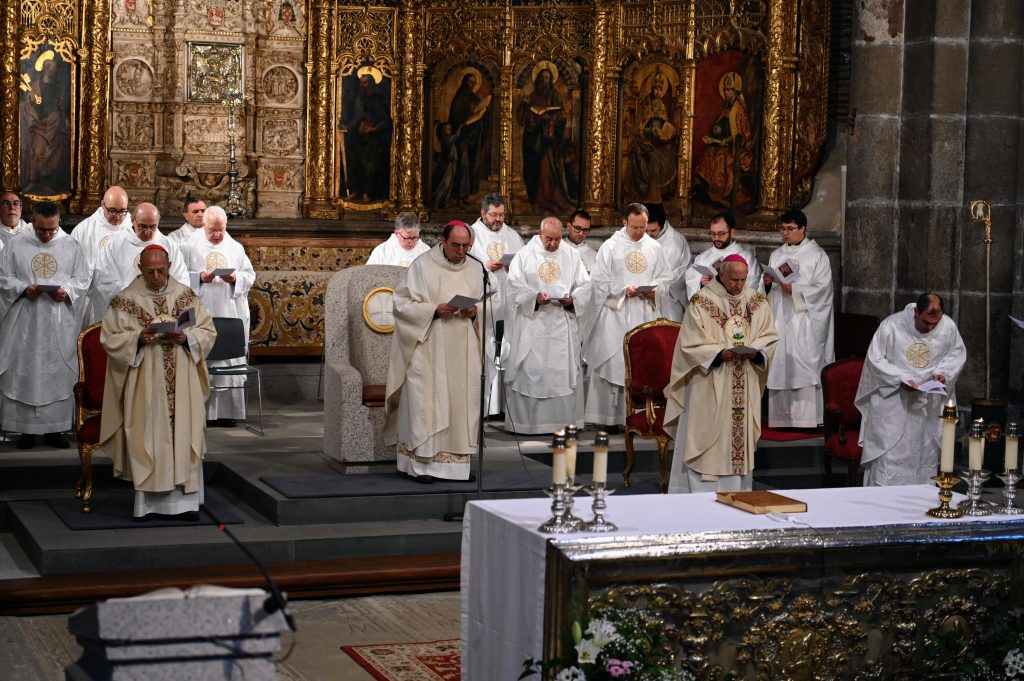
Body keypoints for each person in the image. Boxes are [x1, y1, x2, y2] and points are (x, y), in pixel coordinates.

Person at [98, 245, 218, 521]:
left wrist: (187, 338)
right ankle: (148, 505)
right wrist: (137, 338)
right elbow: (109, 338)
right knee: (149, 435)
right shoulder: (124, 300)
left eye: (161, 271)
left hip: (183, 380)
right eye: (150, 271)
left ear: (169, 266)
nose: (156, 277)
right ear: (139, 268)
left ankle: (186, 505)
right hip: (146, 382)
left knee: (184, 432)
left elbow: (208, 330)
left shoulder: (186, 296)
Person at [664, 255, 778, 492]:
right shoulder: (701, 302)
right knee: (705, 438)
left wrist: (756, 353)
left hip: (744, 380)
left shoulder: (757, 302)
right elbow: (689, 343)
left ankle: (738, 492)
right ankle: (701, 494)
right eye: (734, 279)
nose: (739, 285)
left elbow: (769, 337)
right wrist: (716, 353)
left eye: (743, 280)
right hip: (709, 382)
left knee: (737, 442)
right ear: (721, 275)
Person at [383, 221, 482, 483]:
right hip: (428, 347)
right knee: (426, 405)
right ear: (442, 241)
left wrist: (477, 312)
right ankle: (421, 465)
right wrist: (433, 311)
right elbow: (400, 304)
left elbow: (493, 303)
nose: (461, 251)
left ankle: (457, 467)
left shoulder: (476, 268)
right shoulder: (422, 265)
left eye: (466, 246)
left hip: (463, 349)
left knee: (461, 406)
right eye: (456, 245)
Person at [0, 201, 89, 449]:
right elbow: (3, 277)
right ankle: (26, 431)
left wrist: (66, 291)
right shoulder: (16, 244)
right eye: (41, 230)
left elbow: (83, 279)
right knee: (25, 370)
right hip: (25, 322)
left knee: (56, 371)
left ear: (58, 223)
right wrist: (22, 288)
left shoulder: (71, 245)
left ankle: (55, 430)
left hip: (57, 322)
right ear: (33, 221)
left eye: (52, 230)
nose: (47, 235)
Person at [855, 293, 967, 486]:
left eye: (935, 323)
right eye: (926, 322)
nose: (930, 328)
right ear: (916, 312)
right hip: (894, 404)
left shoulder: (948, 327)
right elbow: (875, 360)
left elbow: (956, 354)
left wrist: (943, 374)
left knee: (924, 458)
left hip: (928, 406)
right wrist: (900, 378)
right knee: (890, 460)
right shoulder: (891, 326)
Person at [584, 203, 672, 430]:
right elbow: (598, 280)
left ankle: (641, 417)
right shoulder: (610, 246)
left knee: (640, 364)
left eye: (643, 227)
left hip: (644, 313)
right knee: (613, 362)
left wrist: (656, 290)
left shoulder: (654, 248)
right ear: (624, 223)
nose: (639, 232)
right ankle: (607, 419)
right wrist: (623, 290)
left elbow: (666, 278)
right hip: (616, 314)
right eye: (635, 227)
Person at [504, 217, 590, 434]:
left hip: (561, 322)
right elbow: (514, 286)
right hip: (533, 324)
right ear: (540, 234)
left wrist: (573, 299)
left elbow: (585, 286)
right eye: (549, 239)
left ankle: (561, 422)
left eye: (557, 239)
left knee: (560, 373)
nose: (553, 244)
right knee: (533, 370)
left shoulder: (572, 255)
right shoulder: (525, 255)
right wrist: (533, 297)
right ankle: (528, 425)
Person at [764, 209, 834, 428]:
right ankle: (781, 419)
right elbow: (764, 293)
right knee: (781, 364)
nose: (785, 233)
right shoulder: (776, 255)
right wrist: (767, 284)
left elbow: (823, 290)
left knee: (804, 365)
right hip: (780, 319)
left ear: (803, 229)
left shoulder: (817, 255)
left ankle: (807, 420)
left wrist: (795, 290)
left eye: (790, 229)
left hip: (805, 322)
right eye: (783, 229)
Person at [186, 205, 256, 425]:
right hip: (201, 313)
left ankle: (228, 414)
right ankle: (201, 414)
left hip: (228, 311)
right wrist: (198, 278)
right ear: (203, 225)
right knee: (204, 358)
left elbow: (249, 275)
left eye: (221, 230)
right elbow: (177, 276)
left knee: (227, 360)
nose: (217, 235)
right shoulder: (188, 246)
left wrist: (236, 279)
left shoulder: (235, 247)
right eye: (212, 230)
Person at [468, 193, 523, 416]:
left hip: (508, 300)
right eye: (493, 215)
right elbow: (463, 263)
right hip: (484, 301)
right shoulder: (470, 235)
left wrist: (512, 267)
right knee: (485, 349)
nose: (498, 219)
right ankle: (484, 407)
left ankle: (503, 407)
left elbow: (523, 265)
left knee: (509, 347)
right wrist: (484, 265)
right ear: (483, 213)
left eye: (501, 215)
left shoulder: (513, 236)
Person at [92, 203, 190, 315]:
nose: (147, 232)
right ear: (132, 220)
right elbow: (103, 282)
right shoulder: (114, 245)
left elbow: (181, 279)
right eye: (142, 226)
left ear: (158, 222)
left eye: (152, 227)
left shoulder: (169, 245)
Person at [71, 185, 133, 325]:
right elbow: (75, 269)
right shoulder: (84, 230)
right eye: (113, 211)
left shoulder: (134, 227)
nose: (118, 216)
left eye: (122, 211)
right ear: (102, 204)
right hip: (94, 299)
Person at [695, 71, 755, 210]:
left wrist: (727, 141)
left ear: (735, 92)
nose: (726, 93)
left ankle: (720, 195)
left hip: (736, 149)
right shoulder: (727, 106)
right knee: (709, 152)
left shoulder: (739, 109)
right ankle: (707, 190)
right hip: (723, 144)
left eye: (729, 90)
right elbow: (723, 125)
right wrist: (715, 135)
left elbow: (743, 134)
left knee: (720, 159)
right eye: (725, 90)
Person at [515, 67, 570, 212]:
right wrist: (526, 107)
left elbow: (562, 116)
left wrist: (551, 118)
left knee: (546, 168)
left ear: (550, 80)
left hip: (548, 138)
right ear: (538, 79)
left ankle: (548, 198)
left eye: (547, 78)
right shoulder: (531, 97)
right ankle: (535, 199)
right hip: (533, 138)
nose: (544, 81)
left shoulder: (554, 96)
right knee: (532, 167)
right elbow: (522, 118)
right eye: (542, 78)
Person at [625, 67, 678, 205]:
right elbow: (638, 128)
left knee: (671, 150)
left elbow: (664, 122)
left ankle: (664, 190)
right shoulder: (645, 104)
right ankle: (651, 192)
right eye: (655, 89)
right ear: (651, 88)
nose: (657, 92)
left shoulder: (661, 105)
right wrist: (650, 131)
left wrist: (668, 131)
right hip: (644, 142)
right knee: (654, 156)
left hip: (659, 141)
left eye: (660, 89)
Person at [684, 211, 762, 299]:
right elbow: (691, 284)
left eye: (721, 234)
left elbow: (753, 288)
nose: (716, 238)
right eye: (713, 234)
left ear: (732, 232)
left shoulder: (747, 258)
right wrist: (701, 284)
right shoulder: (702, 258)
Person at [339, 72, 391, 202]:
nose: (362, 85)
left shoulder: (377, 99)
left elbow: (385, 120)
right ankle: (356, 192)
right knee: (356, 165)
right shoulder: (358, 100)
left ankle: (367, 193)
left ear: (371, 84)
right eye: (361, 83)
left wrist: (374, 129)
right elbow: (357, 119)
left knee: (370, 166)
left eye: (365, 82)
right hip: (358, 138)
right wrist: (347, 127)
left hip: (373, 138)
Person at [448, 71, 491, 206]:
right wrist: (469, 114)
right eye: (470, 82)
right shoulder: (459, 98)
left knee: (474, 161)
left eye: (474, 83)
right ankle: (459, 194)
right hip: (462, 135)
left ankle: (467, 193)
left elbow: (480, 114)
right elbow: (456, 117)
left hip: (474, 134)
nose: (472, 85)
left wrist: (483, 112)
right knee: (463, 163)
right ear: (464, 82)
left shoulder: (475, 97)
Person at [643, 203, 691, 322]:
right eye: (645, 230)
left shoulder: (676, 241)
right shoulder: (638, 236)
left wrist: (659, 288)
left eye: (653, 230)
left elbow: (680, 273)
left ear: (662, 224)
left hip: (668, 300)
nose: (648, 235)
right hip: (642, 299)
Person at [365, 212, 430, 266]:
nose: (411, 243)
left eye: (415, 237)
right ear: (396, 233)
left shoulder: (426, 251)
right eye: (407, 238)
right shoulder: (381, 252)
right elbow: (370, 274)